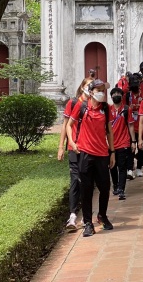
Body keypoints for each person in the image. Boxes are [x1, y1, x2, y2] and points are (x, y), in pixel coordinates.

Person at [66, 79, 116, 237]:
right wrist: (72, 143)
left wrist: (112, 152)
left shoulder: (106, 109)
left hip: (102, 154)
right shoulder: (81, 106)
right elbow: (69, 124)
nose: (102, 92)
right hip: (85, 154)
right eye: (99, 89)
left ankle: (102, 215)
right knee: (86, 190)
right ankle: (88, 222)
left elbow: (109, 131)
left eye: (103, 89)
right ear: (91, 91)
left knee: (105, 188)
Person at [57, 76, 93, 231]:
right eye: (89, 85)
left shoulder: (94, 105)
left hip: (89, 149)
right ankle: (72, 216)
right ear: (83, 86)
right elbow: (65, 126)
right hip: (73, 148)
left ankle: (86, 216)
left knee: (86, 182)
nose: (91, 88)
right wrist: (61, 147)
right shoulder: (73, 103)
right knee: (74, 180)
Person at [109, 87, 136, 200]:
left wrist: (133, 141)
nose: (116, 95)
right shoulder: (108, 109)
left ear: (122, 96)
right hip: (111, 143)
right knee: (112, 167)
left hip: (123, 142)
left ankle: (121, 189)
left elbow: (130, 125)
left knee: (122, 167)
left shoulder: (126, 109)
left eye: (118, 93)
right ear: (111, 96)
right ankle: (115, 185)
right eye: (114, 93)